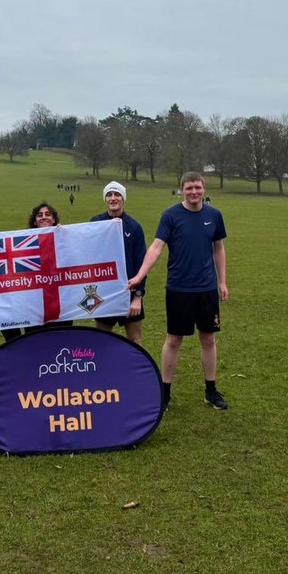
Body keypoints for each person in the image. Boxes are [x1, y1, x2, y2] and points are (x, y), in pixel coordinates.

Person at [127, 172, 228, 411]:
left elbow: (219, 248)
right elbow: (156, 247)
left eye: (198, 187)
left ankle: (211, 391)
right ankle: (165, 393)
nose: (194, 192)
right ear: (181, 189)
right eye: (189, 188)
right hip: (178, 289)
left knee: (209, 339)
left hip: (206, 289)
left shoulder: (214, 215)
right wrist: (140, 275)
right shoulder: (170, 215)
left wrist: (222, 281)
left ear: (204, 189)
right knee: (174, 340)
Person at [91, 181, 147, 345]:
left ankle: (137, 371)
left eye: (117, 194)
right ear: (105, 199)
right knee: (101, 339)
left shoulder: (134, 227)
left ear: (123, 198)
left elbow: (141, 263)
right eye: (109, 194)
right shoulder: (95, 222)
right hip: (104, 292)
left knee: (134, 339)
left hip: (129, 292)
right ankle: (103, 370)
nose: (113, 198)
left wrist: (138, 297)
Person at [25, 202, 71, 331]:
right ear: (34, 221)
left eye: (47, 214)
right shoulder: (25, 240)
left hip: (61, 301)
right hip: (35, 303)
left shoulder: (64, 237)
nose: (44, 217)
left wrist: (66, 235)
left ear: (54, 219)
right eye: (39, 215)